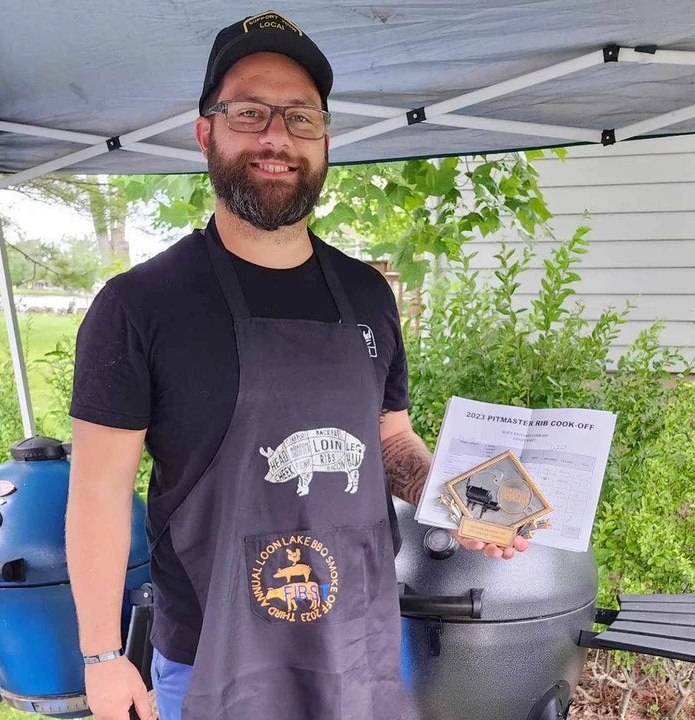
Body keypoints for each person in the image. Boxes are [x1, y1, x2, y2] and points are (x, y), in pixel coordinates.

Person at [65, 11, 527, 720]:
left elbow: (389, 439)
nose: (276, 137)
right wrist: (101, 657)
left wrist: (466, 502)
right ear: (206, 132)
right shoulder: (139, 305)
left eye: (300, 118)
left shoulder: (369, 294)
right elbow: (98, 492)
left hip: (358, 644)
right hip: (211, 654)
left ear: (324, 141)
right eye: (249, 113)